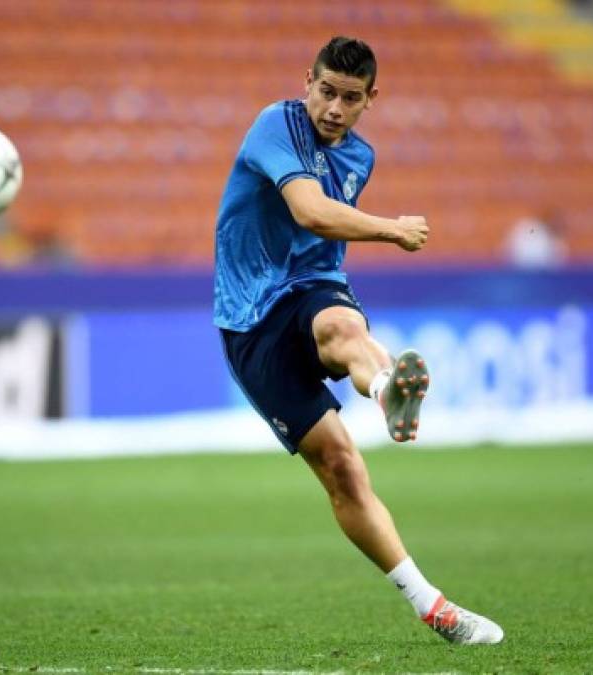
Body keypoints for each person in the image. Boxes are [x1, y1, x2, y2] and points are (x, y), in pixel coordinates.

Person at [213, 36, 504, 645]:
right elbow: (312, 213)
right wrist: (392, 229)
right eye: (326, 92)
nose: (334, 109)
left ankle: (386, 389)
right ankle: (432, 604)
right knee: (340, 466)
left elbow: (322, 246)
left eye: (350, 98)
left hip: (314, 288)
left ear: (372, 99)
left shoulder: (359, 157)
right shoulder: (275, 125)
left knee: (340, 327)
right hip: (250, 318)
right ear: (306, 83)